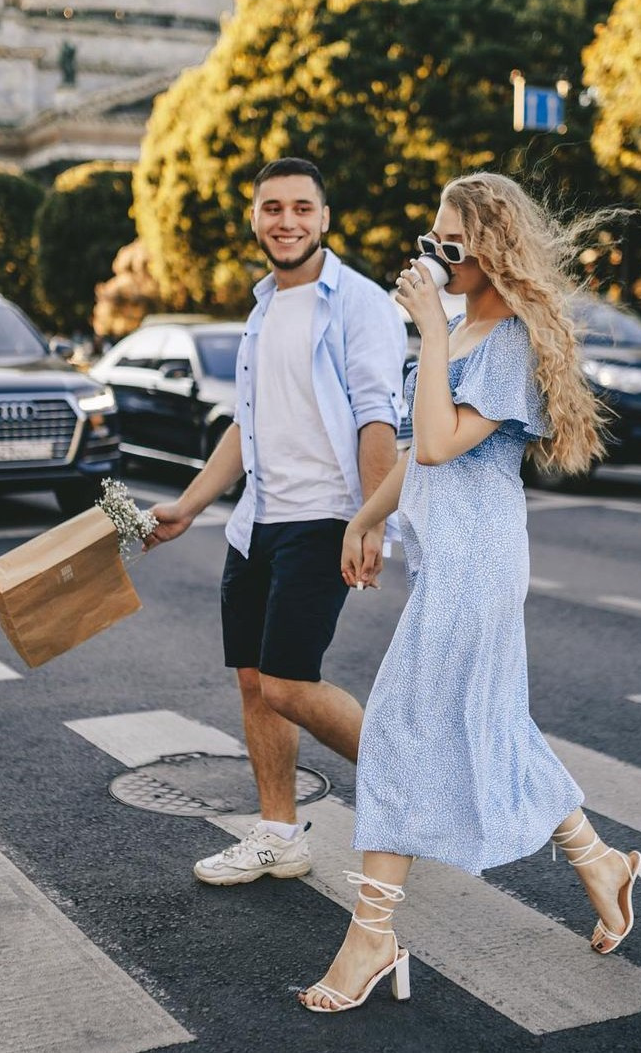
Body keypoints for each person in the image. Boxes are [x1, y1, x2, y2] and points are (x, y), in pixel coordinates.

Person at [299, 171, 641, 1014]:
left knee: (396, 727)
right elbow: (415, 467)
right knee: (490, 724)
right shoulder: (460, 329)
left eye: (447, 244)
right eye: (429, 240)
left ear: (489, 246)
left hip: (481, 562)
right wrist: (366, 518)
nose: (431, 256)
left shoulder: (508, 343)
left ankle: (371, 939)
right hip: (448, 558)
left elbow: (432, 443)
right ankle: (601, 863)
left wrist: (426, 328)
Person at [144, 156, 407, 886]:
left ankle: (416, 784)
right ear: (254, 218)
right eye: (271, 208)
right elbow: (246, 424)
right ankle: (277, 834)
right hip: (257, 522)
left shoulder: (357, 303)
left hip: (323, 518)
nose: (285, 220)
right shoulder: (263, 308)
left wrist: (370, 521)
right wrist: (191, 506)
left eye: (300, 208)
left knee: (290, 684)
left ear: (324, 218)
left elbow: (377, 417)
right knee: (256, 681)